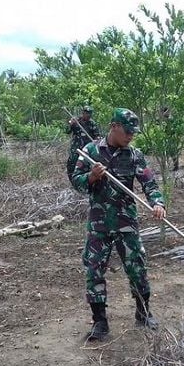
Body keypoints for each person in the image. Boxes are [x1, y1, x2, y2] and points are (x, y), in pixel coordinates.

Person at [71, 108, 167, 341]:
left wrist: (158, 203)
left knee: (137, 267)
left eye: (134, 132)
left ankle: (143, 313)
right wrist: (92, 176)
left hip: (126, 222)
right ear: (114, 126)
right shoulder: (91, 151)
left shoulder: (134, 155)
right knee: (94, 269)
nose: (131, 136)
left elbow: (150, 184)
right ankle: (100, 322)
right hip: (99, 224)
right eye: (127, 131)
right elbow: (77, 181)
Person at [65, 105, 102, 179]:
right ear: (83, 112)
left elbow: (97, 136)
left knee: (84, 166)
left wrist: (96, 141)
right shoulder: (76, 121)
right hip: (75, 148)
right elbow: (67, 131)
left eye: (89, 113)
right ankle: (72, 180)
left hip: (86, 150)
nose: (88, 115)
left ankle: (82, 181)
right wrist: (70, 124)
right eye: (86, 113)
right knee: (71, 164)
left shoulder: (92, 123)